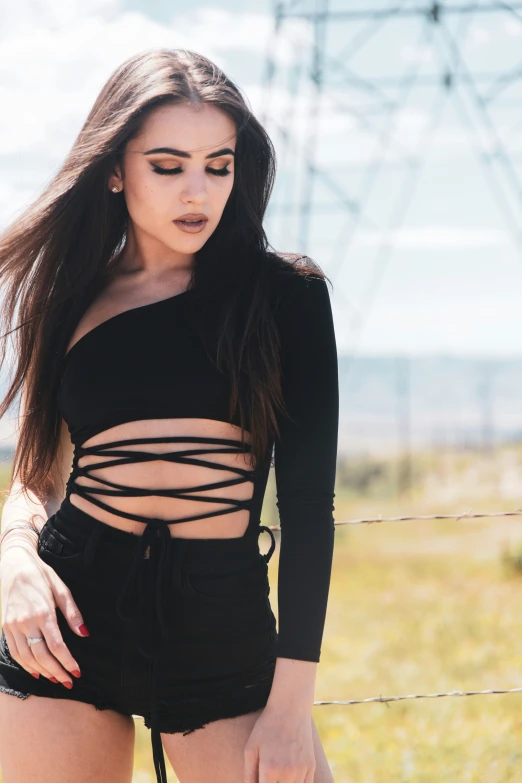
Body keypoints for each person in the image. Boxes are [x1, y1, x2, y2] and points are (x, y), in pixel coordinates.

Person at [0, 48, 339, 783]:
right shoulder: (69, 298)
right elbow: (39, 469)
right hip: (69, 624)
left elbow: (311, 510)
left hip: (219, 631)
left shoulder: (286, 297)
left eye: (218, 165)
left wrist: (289, 710)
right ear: (115, 168)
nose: (199, 190)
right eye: (168, 165)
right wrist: (13, 557)